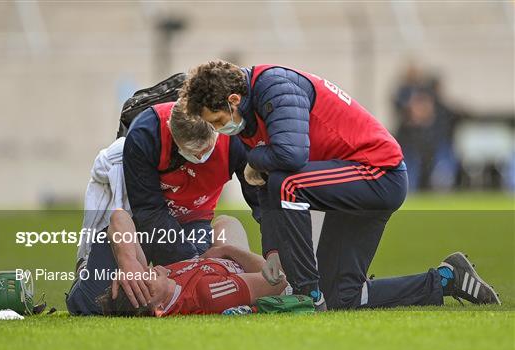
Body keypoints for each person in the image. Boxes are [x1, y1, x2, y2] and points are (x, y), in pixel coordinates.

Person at [178, 60, 501, 310]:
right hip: (350, 180)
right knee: (342, 297)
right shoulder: (250, 111)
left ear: (234, 99)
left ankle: (306, 293)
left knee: (286, 182)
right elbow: (266, 187)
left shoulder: (275, 85)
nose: (220, 129)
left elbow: (290, 156)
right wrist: (273, 251)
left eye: (218, 120)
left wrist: (255, 159)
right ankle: (446, 279)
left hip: (378, 173)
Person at [66, 101, 260, 315]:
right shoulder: (146, 134)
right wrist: (131, 262)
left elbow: (262, 200)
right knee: (90, 303)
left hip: (190, 218)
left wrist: (276, 252)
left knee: (94, 305)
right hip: (142, 215)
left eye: (204, 150)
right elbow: (144, 214)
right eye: (192, 151)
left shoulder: (235, 140)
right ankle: (89, 265)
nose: (198, 157)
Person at [97, 210, 288, 317]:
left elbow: (119, 216)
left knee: (223, 222)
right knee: (228, 224)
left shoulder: (162, 277)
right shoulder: (206, 293)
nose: (146, 272)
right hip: (243, 267)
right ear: (160, 308)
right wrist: (227, 250)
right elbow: (278, 281)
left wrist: (128, 262)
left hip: (215, 261)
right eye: (146, 283)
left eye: (138, 276)